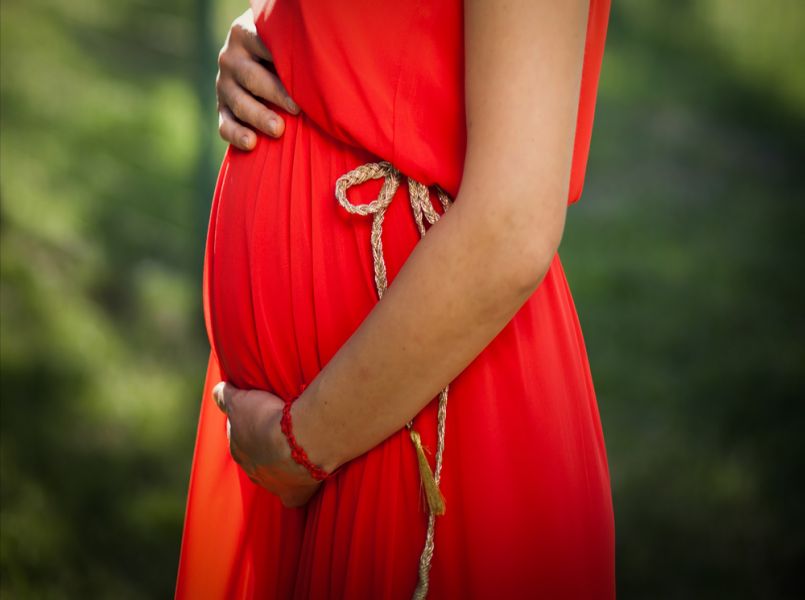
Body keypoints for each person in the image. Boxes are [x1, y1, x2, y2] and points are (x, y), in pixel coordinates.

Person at [175, 0, 615, 598]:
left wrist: (301, 445)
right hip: (309, 432)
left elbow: (514, 222)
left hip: (414, 407)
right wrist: (275, 30)